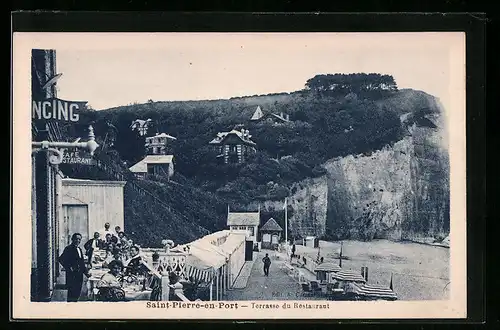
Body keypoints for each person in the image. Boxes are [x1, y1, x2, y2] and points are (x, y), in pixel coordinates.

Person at [59, 233, 91, 302]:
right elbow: (61, 259)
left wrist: (86, 273)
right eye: (76, 239)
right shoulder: (68, 248)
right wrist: (69, 268)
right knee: (71, 295)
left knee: (77, 294)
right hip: (72, 275)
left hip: (79, 276)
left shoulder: (79, 249)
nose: (78, 241)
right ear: (72, 239)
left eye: (79, 239)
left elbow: (82, 264)